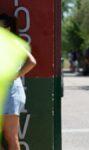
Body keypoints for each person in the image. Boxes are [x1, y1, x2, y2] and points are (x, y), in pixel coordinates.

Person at [0, 13, 36, 150]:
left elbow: (32, 62)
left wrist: (15, 76)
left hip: (10, 93)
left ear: (8, 29)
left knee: (11, 136)